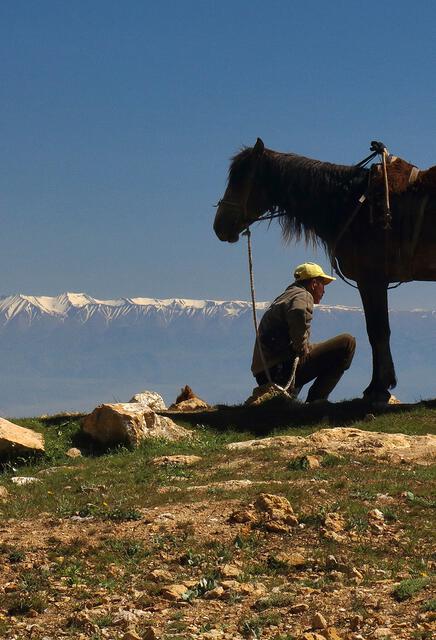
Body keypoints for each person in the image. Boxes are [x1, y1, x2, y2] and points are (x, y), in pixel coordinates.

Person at [251, 262, 356, 402]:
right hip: (279, 370)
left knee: (313, 348)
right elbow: (299, 311)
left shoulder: (285, 297)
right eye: (322, 284)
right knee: (347, 343)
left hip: (266, 371)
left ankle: (292, 397)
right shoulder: (303, 295)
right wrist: (301, 346)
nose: (324, 290)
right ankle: (316, 401)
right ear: (313, 284)